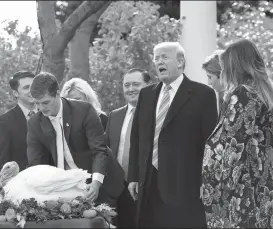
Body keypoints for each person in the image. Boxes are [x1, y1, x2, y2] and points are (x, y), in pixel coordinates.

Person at [127, 42, 218, 228]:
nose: (159, 61)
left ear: (180, 62)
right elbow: (136, 138)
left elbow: (210, 143)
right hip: (148, 183)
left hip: (184, 185)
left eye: (164, 57)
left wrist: (207, 181)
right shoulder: (146, 94)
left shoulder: (203, 94)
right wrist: (133, 176)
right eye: (156, 58)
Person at [201, 39, 273, 228]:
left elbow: (233, 143)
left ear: (235, 66)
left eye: (225, 67)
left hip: (240, 186)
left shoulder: (242, 93)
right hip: (263, 181)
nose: (223, 72)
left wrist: (218, 184)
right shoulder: (265, 92)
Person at [26, 72, 124, 208]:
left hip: (101, 182)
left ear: (57, 93)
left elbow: (99, 150)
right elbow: (36, 163)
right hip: (65, 188)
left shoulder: (84, 110)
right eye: (37, 104)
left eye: (46, 102)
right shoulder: (35, 123)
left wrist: (96, 183)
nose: (41, 108)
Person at [106, 68, 151, 227]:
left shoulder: (156, 115)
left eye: (136, 84)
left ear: (148, 85)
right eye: (127, 85)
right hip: (118, 188)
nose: (130, 89)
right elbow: (107, 150)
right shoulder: (114, 116)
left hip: (146, 187)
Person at [0, 71, 37, 190]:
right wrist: (2, 191)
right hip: (22, 188)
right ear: (15, 93)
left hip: (53, 184)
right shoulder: (5, 121)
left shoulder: (49, 114)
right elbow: (0, 160)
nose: (32, 90)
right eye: (26, 87)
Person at [202, 50, 225, 115]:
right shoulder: (221, 95)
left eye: (210, 77)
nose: (209, 83)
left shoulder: (232, 97)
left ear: (221, 75)